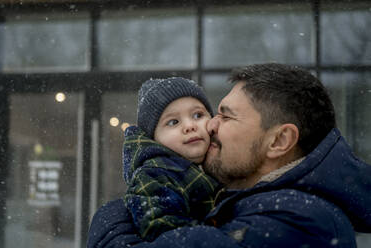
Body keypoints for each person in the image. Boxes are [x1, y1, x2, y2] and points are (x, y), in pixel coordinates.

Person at [87, 63, 371, 248]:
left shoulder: (299, 222)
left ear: (279, 141)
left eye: (225, 115)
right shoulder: (247, 200)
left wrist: (112, 216)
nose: (209, 124)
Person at [122, 77, 219, 241]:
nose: (190, 126)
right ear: (154, 138)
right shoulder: (155, 173)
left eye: (198, 115)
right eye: (173, 122)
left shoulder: (220, 162)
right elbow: (160, 227)